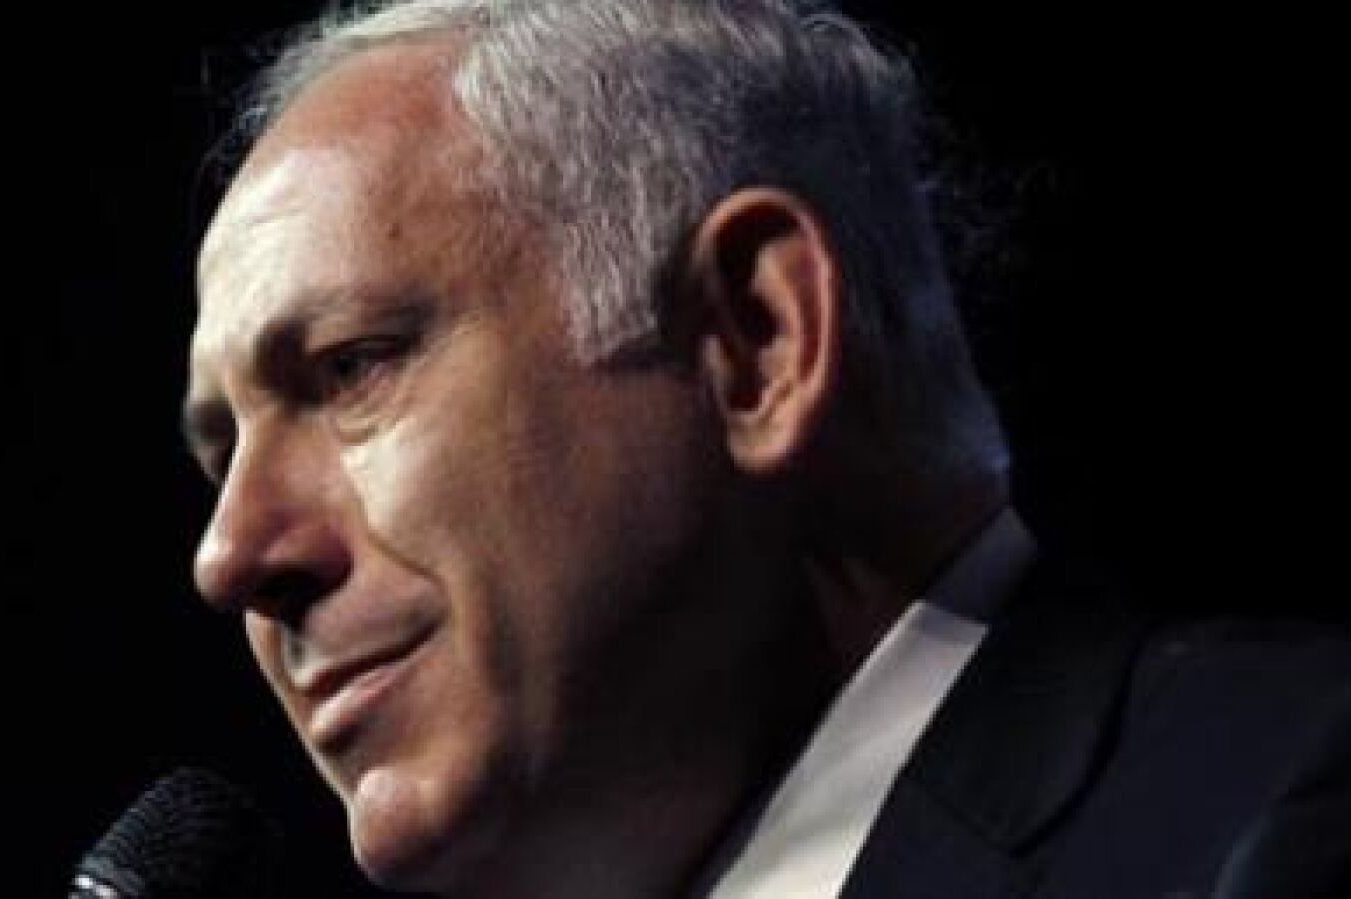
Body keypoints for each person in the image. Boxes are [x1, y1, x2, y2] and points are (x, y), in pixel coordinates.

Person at [181, 1, 1351, 896]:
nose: (228, 555)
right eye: (220, 454)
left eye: (349, 368)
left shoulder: (1288, 814)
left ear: (755, 338)